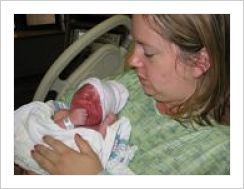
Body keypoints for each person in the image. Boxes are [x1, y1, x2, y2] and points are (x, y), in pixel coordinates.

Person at [31, 14, 230, 175]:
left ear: (199, 62)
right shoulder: (130, 83)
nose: (133, 59)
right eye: (136, 43)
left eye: (149, 52)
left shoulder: (220, 152)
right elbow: (60, 108)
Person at [14, 77, 132, 174]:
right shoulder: (64, 113)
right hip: (44, 152)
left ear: (104, 114)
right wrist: (69, 121)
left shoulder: (96, 129)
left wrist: (106, 124)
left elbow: (99, 143)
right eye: (83, 95)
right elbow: (50, 131)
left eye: (97, 103)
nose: (88, 101)